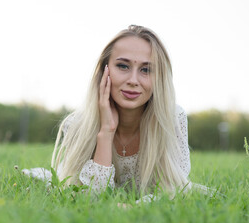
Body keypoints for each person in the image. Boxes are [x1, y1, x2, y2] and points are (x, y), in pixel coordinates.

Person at [24, 25, 206, 200]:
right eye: (123, 66)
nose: (133, 80)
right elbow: (88, 198)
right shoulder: (77, 124)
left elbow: (172, 192)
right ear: (104, 71)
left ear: (159, 78)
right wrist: (106, 131)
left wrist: (133, 207)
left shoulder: (172, 118)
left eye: (146, 69)